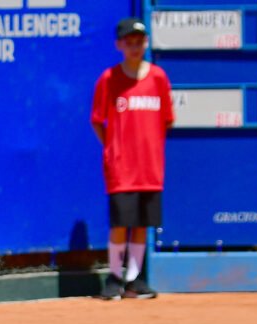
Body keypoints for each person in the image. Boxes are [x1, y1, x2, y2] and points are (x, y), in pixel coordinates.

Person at [90, 17, 175, 300]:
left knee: (141, 224)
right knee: (119, 224)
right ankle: (114, 277)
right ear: (119, 45)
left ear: (146, 43)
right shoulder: (108, 79)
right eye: (129, 42)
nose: (135, 47)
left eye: (139, 41)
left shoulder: (159, 78)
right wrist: (113, 148)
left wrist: (148, 148)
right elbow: (97, 120)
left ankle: (134, 279)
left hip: (150, 167)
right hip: (121, 168)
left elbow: (167, 120)